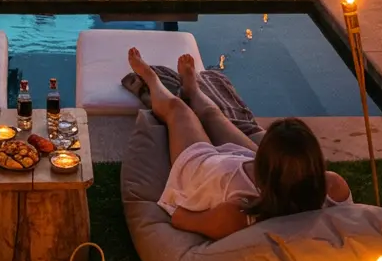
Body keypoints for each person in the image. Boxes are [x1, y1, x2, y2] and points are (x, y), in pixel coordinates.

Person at [127, 47, 351, 239]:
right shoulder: (334, 187)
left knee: (179, 110)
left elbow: (179, 218)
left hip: (202, 168)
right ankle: (192, 89)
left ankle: (150, 78)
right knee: (214, 115)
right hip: (241, 163)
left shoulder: (238, 214)